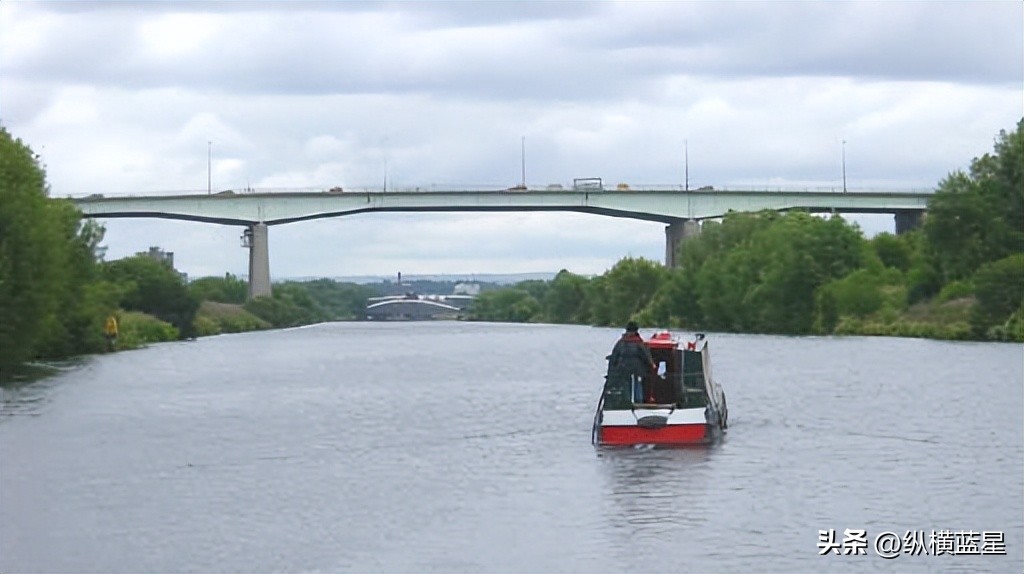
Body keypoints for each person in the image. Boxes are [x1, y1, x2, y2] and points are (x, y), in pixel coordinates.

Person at [607, 321, 656, 403]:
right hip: (637, 368)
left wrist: (612, 369)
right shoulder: (639, 342)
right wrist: (652, 364)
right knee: (637, 384)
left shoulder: (621, 342)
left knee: (627, 385)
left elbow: (614, 356)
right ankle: (638, 401)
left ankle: (627, 401)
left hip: (623, 368)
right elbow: (646, 355)